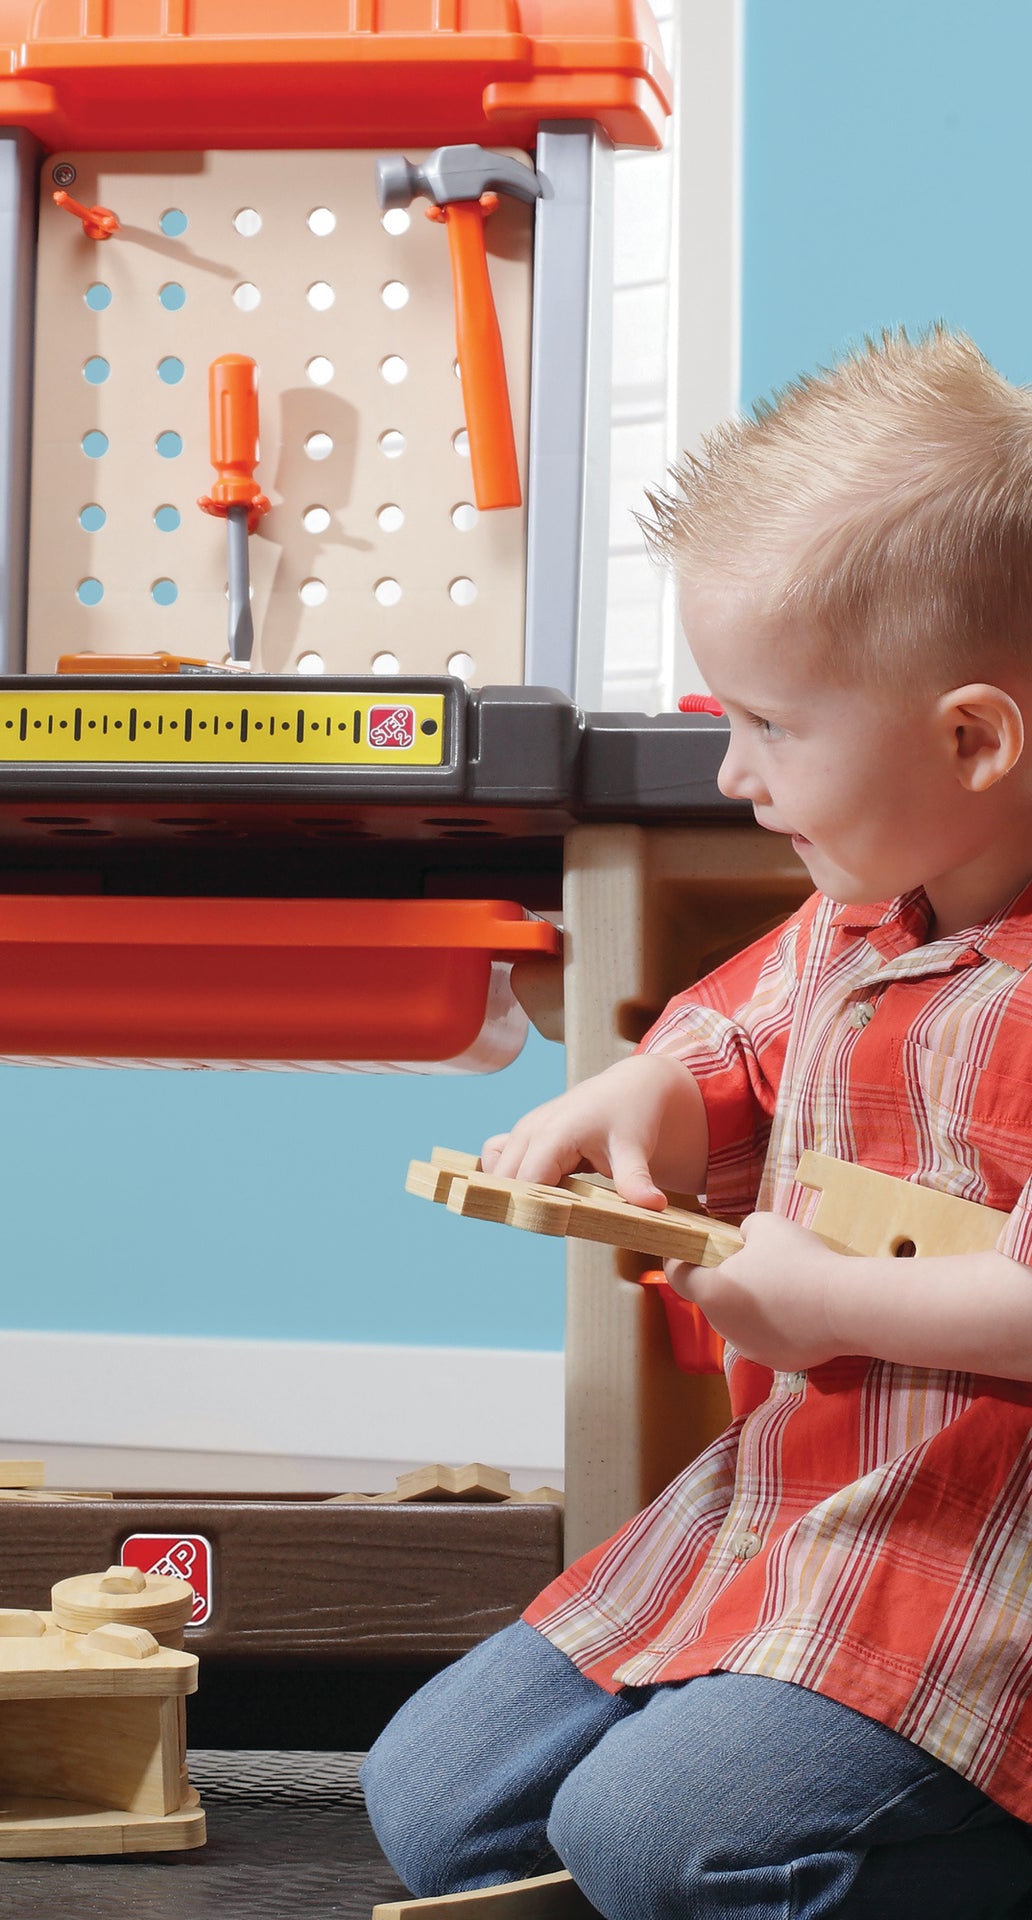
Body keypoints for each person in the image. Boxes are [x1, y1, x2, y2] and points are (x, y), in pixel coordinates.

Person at [363, 329, 1032, 1920]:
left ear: (973, 739)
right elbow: (730, 1036)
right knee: (435, 1805)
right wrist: (642, 1093)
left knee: (671, 1841)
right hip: (789, 1511)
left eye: (772, 726)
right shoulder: (862, 915)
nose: (733, 770)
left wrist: (830, 1303)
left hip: (976, 1560)